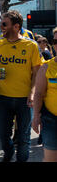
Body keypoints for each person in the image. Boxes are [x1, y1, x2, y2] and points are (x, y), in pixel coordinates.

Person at [0, 10, 42, 162]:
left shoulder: (31, 45)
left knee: (24, 136)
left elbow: (36, 73)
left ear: (16, 26)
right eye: (1, 23)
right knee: (1, 132)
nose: (1, 27)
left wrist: (32, 93)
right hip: (3, 97)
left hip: (24, 99)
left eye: (4, 24)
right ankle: (8, 153)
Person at [32, 27, 57, 162]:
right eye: (55, 41)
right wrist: (36, 116)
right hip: (51, 120)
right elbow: (39, 94)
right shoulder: (46, 67)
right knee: (51, 158)